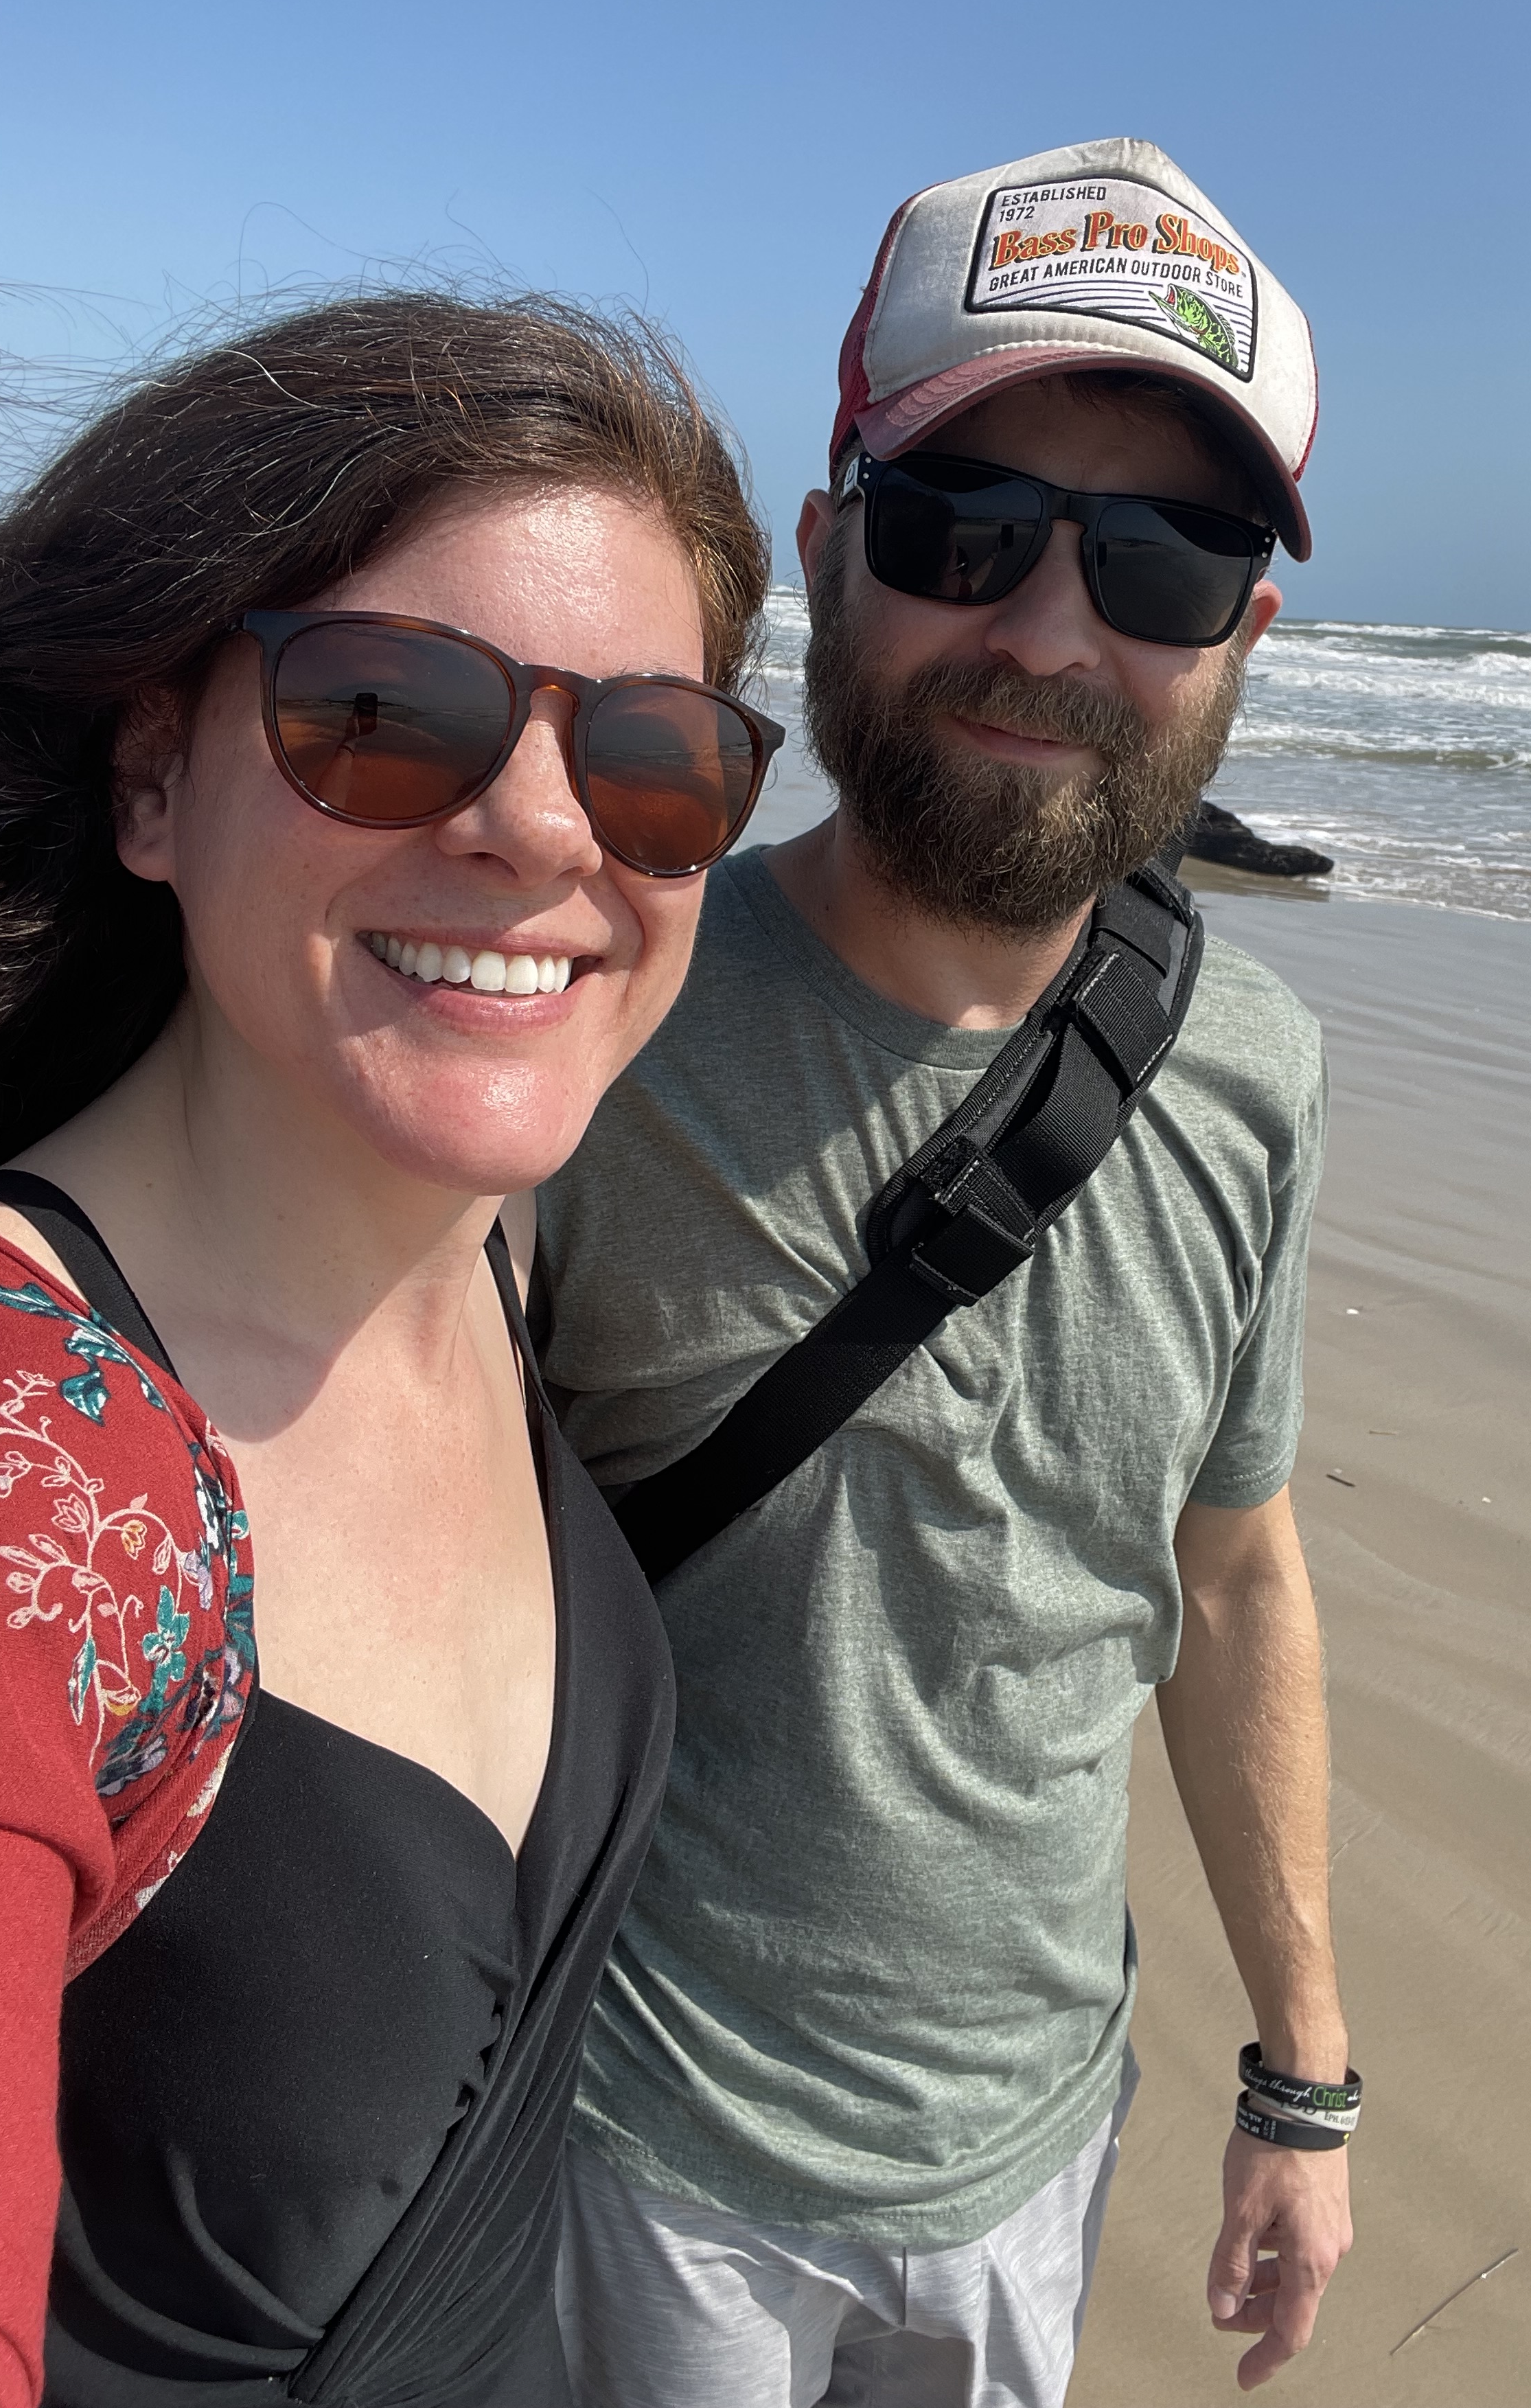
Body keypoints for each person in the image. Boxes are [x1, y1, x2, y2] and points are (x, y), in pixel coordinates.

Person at [536, 139, 1353, 2406]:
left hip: (1044, 2148)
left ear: (1242, 641)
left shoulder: (1257, 1076)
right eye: (964, 528)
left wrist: (1302, 2077)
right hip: (638, 2144)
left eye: (1166, 564)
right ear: (825, 555)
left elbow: (1236, 1578)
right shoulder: (587, 1014)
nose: (1057, 634)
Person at [0, 291, 778, 2408]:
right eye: (387, 712)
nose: (549, 828)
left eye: (655, 757)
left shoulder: (484, 1256)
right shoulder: (15, 1460)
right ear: (154, 774)